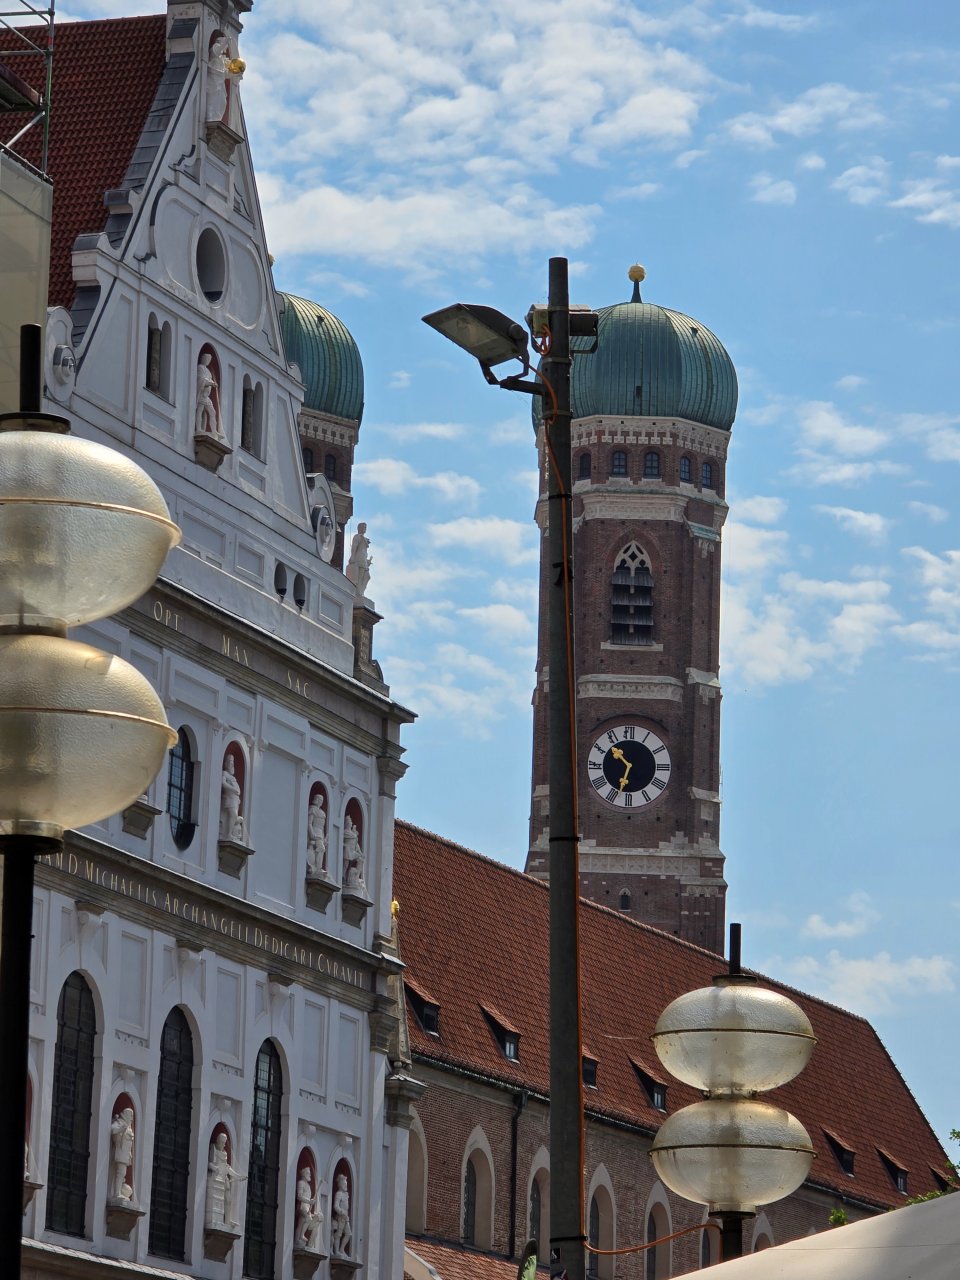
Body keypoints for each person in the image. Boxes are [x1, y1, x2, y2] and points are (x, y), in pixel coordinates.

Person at [205, 1132, 246, 1228]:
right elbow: (209, 1163)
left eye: (225, 1142)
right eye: (222, 1142)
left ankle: (227, 1220)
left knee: (228, 1200)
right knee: (218, 1201)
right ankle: (217, 1219)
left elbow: (227, 1168)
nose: (224, 1144)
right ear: (218, 1141)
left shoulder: (224, 1153)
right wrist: (214, 1168)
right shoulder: (213, 1149)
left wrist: (238, 1176)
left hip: (224, 1179)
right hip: (216, 1179)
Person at [109, 1107, 135, 1202]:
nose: (132, 1118)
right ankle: (117, 1193)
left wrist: (129, 1155)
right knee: (120, 1173)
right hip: (119, 1152)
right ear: (126, 1115)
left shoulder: (128, 1126)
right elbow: (113, 1130)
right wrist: (121, 1128)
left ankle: (118, 1192)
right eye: (130, 1115)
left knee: (122, 1173)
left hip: (125, 1154)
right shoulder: (120, 1122)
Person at [296, 1167, 324, 1252]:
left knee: (311, 1220)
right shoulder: (301, 1183)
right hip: (302, 1206)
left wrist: (311, 1202)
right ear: (304, 1174)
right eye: (308, 1173)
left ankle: (304, 1239)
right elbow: (299, 1196)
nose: (310, 1174)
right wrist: (309, 1201)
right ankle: (301, 1236)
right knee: (308, 1219)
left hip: (307, 1207)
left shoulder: (308, 1185)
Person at [196, 353, 223, 437]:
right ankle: (198, 429)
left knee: (212, 412)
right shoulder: (200, 367)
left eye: (209, 360)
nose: (208, 361)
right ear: (203, 359)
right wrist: (211, 383)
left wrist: (212, 383)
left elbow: (209, 380)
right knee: (200, 411)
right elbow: (200, 380)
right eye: (207, 359)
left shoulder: (208, 371)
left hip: (206, 396)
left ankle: (214, 431)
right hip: (201, 394)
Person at [220, 752, 243, 840]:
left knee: (233, 816)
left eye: (233, 762)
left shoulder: (233, 777)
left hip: (235, 800)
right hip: (229, 798)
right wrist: (233, 790)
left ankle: (231, 832)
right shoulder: (224, 773)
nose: (231, 764)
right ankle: (228, 834)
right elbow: (223, 783)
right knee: (233, 815)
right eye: (230, 762)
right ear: (226, 763)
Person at [345, 522, 371, 596]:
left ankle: (360, 592)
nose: (365, 528)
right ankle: (359, 593)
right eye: (363, 527)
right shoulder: (357, 537)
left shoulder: (364, 538)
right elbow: (354, 547)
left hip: (363, 559)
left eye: (365, 527)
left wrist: (367, 561)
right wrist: (352, 556)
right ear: (359, 528)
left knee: (367, 576)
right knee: (360, 576)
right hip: (359, 558)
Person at [331, 1172, 352, 1255]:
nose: (346, 1185)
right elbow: (336, 1206)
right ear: (340, 1184)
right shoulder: (338, 1194)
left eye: (346, 1183)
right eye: (344, 1183)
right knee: (339, 1234)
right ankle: (336, 1251)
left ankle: (341, 1249)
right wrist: (342, 1212)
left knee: (349, 1234)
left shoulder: (346, 1194)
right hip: (340, 1217)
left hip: (345, 1217)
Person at [307, 792, 327, 877]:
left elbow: (322, 827)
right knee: (321, 848)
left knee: (321, 848)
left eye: (322, 800)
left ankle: (318, 868)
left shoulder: (322, 812)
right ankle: (318, 869)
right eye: (320, 800)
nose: (321, 802)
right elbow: (309, 823)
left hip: (320, 832)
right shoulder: (313, 809)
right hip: (315, 830)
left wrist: (323, 837)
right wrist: (311, 833)